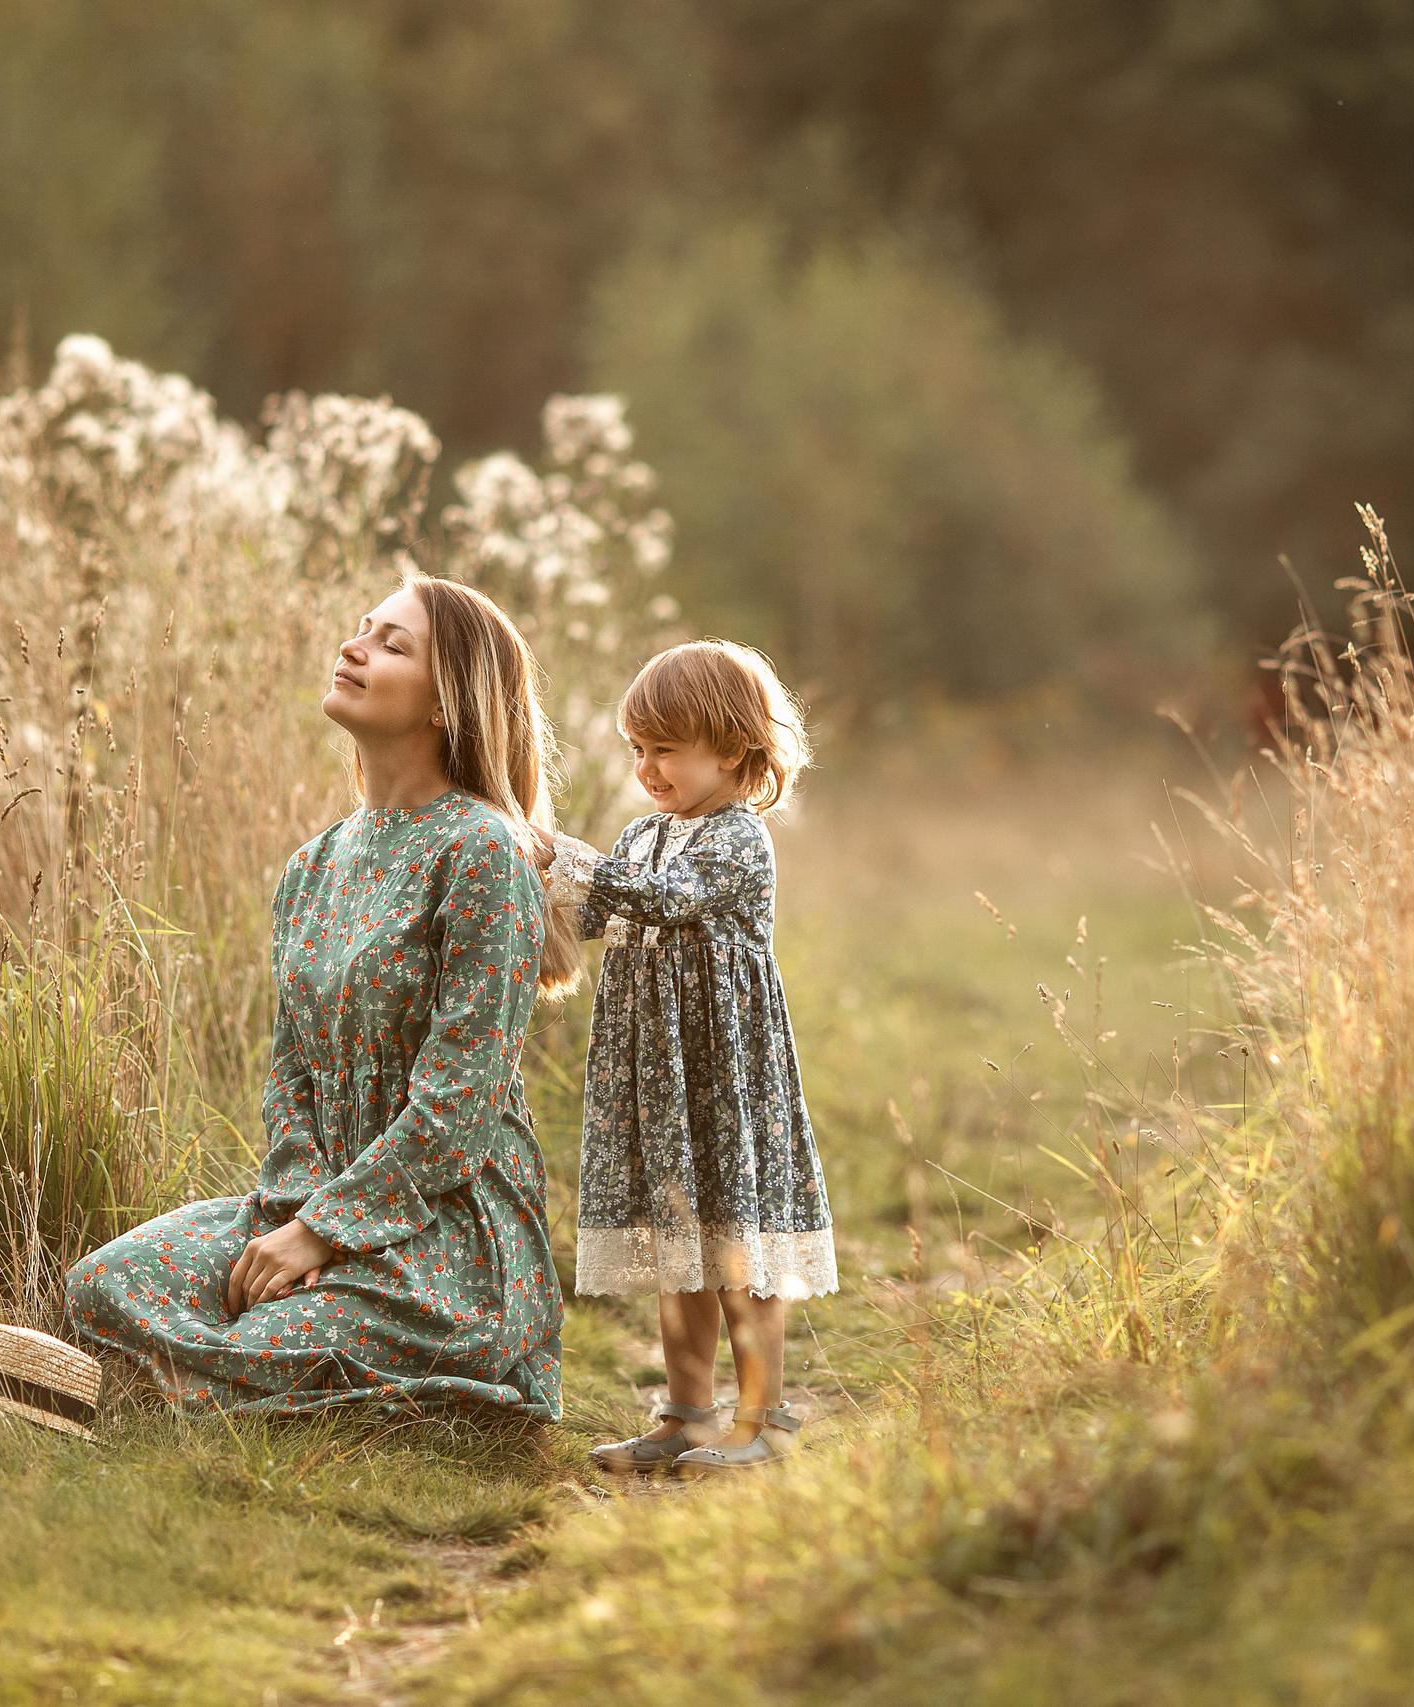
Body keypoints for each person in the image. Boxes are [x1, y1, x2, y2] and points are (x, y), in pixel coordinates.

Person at [64, 573, 579, 1418]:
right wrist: (298, 1221)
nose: (354, 646)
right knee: (101, 1284)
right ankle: (218, 1381)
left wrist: (324, 1234)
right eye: (362, 628)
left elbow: (459, 1106)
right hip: (314, 1200)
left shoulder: (484, 852)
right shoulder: (312, 866)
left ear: (448, 705)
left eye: (391, 643)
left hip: (451, 1229)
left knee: (259, 1338)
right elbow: (291, 1081)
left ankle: (469, 1383)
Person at [541, 640, 836, 1471]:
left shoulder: (739, 838)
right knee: (681, 1246)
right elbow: (596, 915)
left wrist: (561, 854)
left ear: (733, 747)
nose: (647, 767)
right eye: (638, 748)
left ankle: (761, 1420)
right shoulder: (642, 832)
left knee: (736, 1243)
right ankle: (686, 1413)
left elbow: (667, 902)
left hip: (723, 1074)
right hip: (656, 1075)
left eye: (665, 749)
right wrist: (533, 890)